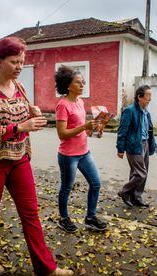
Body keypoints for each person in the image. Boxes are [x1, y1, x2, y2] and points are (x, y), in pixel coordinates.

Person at [0, 37, 73, 276]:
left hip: (19, 158)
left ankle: (46, 268)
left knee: (31, 213)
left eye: (22, 62)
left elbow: (25, 114)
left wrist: (34, 112)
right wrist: (19, 128)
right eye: (14, 61)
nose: (19, 66)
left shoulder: (20, 88)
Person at [54, 65, 107, 233]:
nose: (82, 85)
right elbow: (62, 134)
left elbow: (82, 129)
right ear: (68, 85)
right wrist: (84, 126)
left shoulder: (80, 102)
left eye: (83, 82)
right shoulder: (62, 105)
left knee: (96, 184)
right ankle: (63, 218)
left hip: (84, 152)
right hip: (68, 155)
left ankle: (90, 218)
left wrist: (94, 130)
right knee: (66, 187)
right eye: (78, 82)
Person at [116, 85, 157, 208]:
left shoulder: (146, 112)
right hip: (134, 145)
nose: (150, 98)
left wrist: (153, 144)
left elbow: (149, 130)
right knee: (141, 173)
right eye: (148, 95)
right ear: (139, 97)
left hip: (145, 144)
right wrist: (120, 149)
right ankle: (124, 192)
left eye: (151, 95)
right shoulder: (130, 111)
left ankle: (136, 197)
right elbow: (122, 131)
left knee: (139, 173)